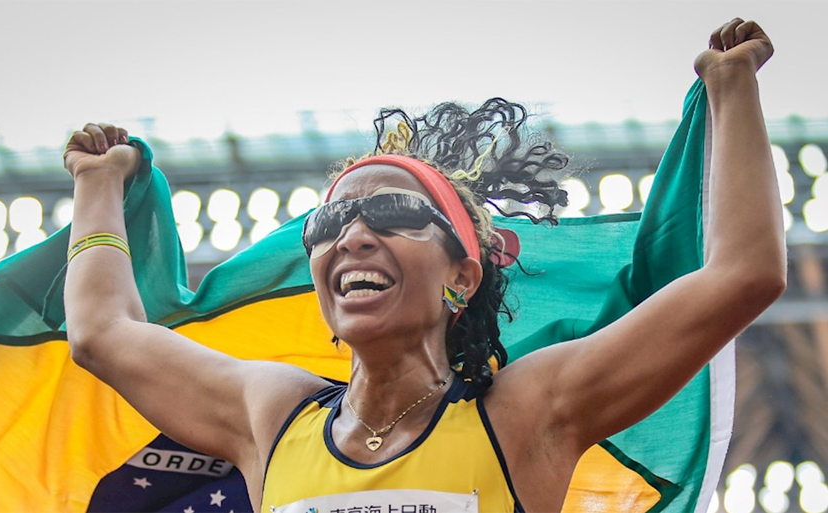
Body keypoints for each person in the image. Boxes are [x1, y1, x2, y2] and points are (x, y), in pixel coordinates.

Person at [62, 18, 784, 512]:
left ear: (461, 276)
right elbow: (103, 334)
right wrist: (97, 184)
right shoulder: (272, 416)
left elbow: (740, 276)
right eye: (331, 221)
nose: (353, 235)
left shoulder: (528, 411)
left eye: (395, 213)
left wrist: (731, 87)